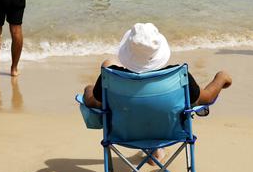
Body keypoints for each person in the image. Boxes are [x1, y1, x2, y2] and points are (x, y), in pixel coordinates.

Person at [82, 22, 232, 110]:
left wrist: (88, 89)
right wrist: (221, 77)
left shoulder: (111, 77)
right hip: (165, 130)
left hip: (124, 132)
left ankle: (155, 150)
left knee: (107, 64)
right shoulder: (178, 76)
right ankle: (157, 149)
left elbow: (92, 101)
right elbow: (206, 98)